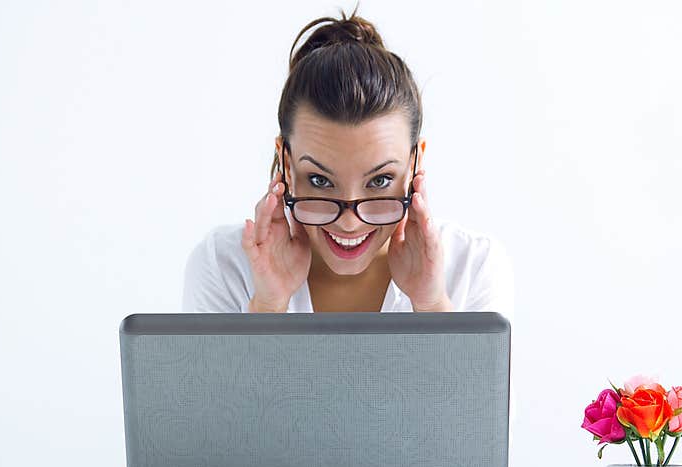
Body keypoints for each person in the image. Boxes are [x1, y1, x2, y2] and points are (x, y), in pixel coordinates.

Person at [182, 8, 514, 320]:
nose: (351, 224)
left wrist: (430, 306)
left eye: (380, 180)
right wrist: (269, 306)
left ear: (415, 163)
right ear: (285, 161)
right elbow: (214, 385)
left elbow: (471, 383)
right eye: (321, 181)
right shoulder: (224, 266)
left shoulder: (472, 266)